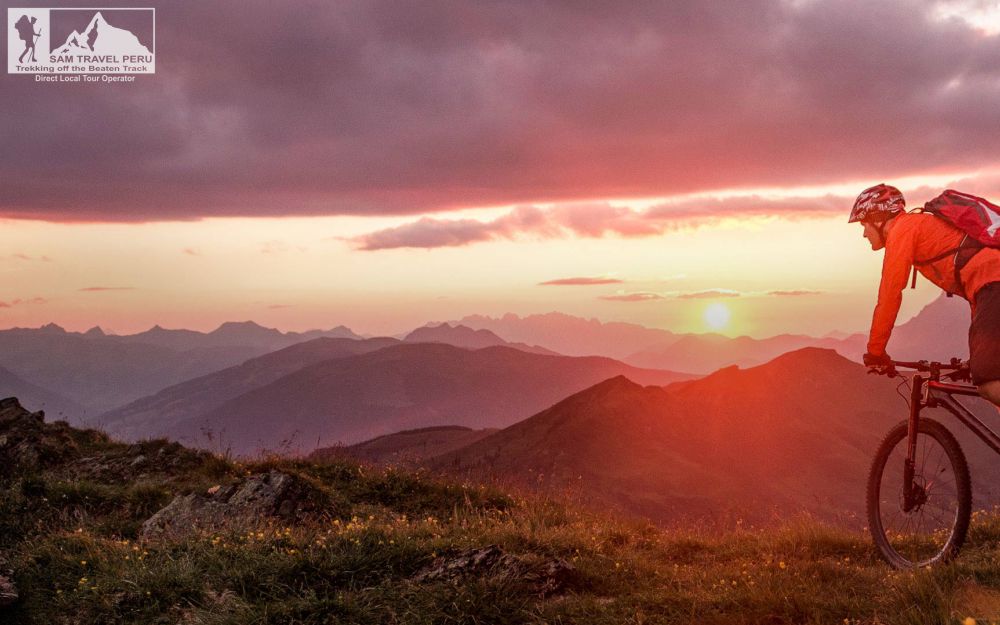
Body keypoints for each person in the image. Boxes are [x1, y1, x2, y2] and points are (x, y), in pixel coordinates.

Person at [851, 183, 1000, 407]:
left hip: (993, 286)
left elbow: (890, 295)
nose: (864, 233)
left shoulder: (903, 230)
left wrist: (875, 352)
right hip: (988, 290)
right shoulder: (920, 225)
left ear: (878, 218)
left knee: (990, 383)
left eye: (864, 224)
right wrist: (978, 354)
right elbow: (981, 300)